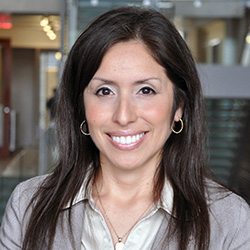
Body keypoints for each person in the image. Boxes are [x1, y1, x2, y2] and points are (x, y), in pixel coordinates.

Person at [1, 6, 250, 250]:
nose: (123, 116)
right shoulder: (29, 205)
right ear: (82, 107)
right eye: (105, 91)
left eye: (146, 90)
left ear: (179, 107)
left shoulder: (229, 219)